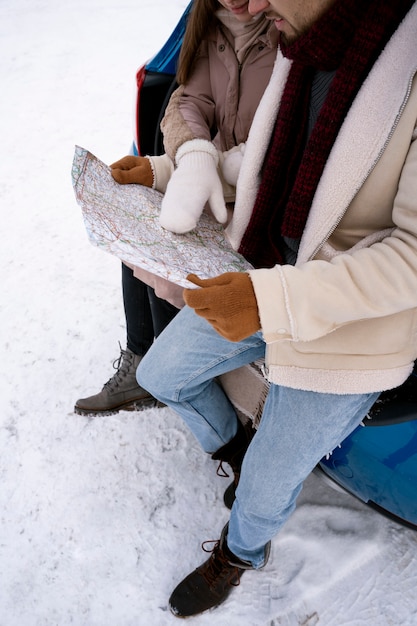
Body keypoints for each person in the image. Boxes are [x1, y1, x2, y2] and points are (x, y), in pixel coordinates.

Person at [137, 0, 417, 617]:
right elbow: (262, 167)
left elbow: (413, 256)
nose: (251, 6)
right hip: (264, 279)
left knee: (266, 488)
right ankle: (234, 450)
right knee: (160, 375)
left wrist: (272, 302)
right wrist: (163, 171)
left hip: (351, 331)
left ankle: (241, 553)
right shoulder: (307, 45)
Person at [74, 0, 278, 416]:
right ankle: (142, 355)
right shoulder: (210, 25)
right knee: (136, 225)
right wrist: (190, 153)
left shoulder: (287, 33)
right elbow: (188, 100)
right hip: (219, 186)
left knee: (175, 267)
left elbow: (280, 143)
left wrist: (178, 169)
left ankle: (174, 372)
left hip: (261, 200)